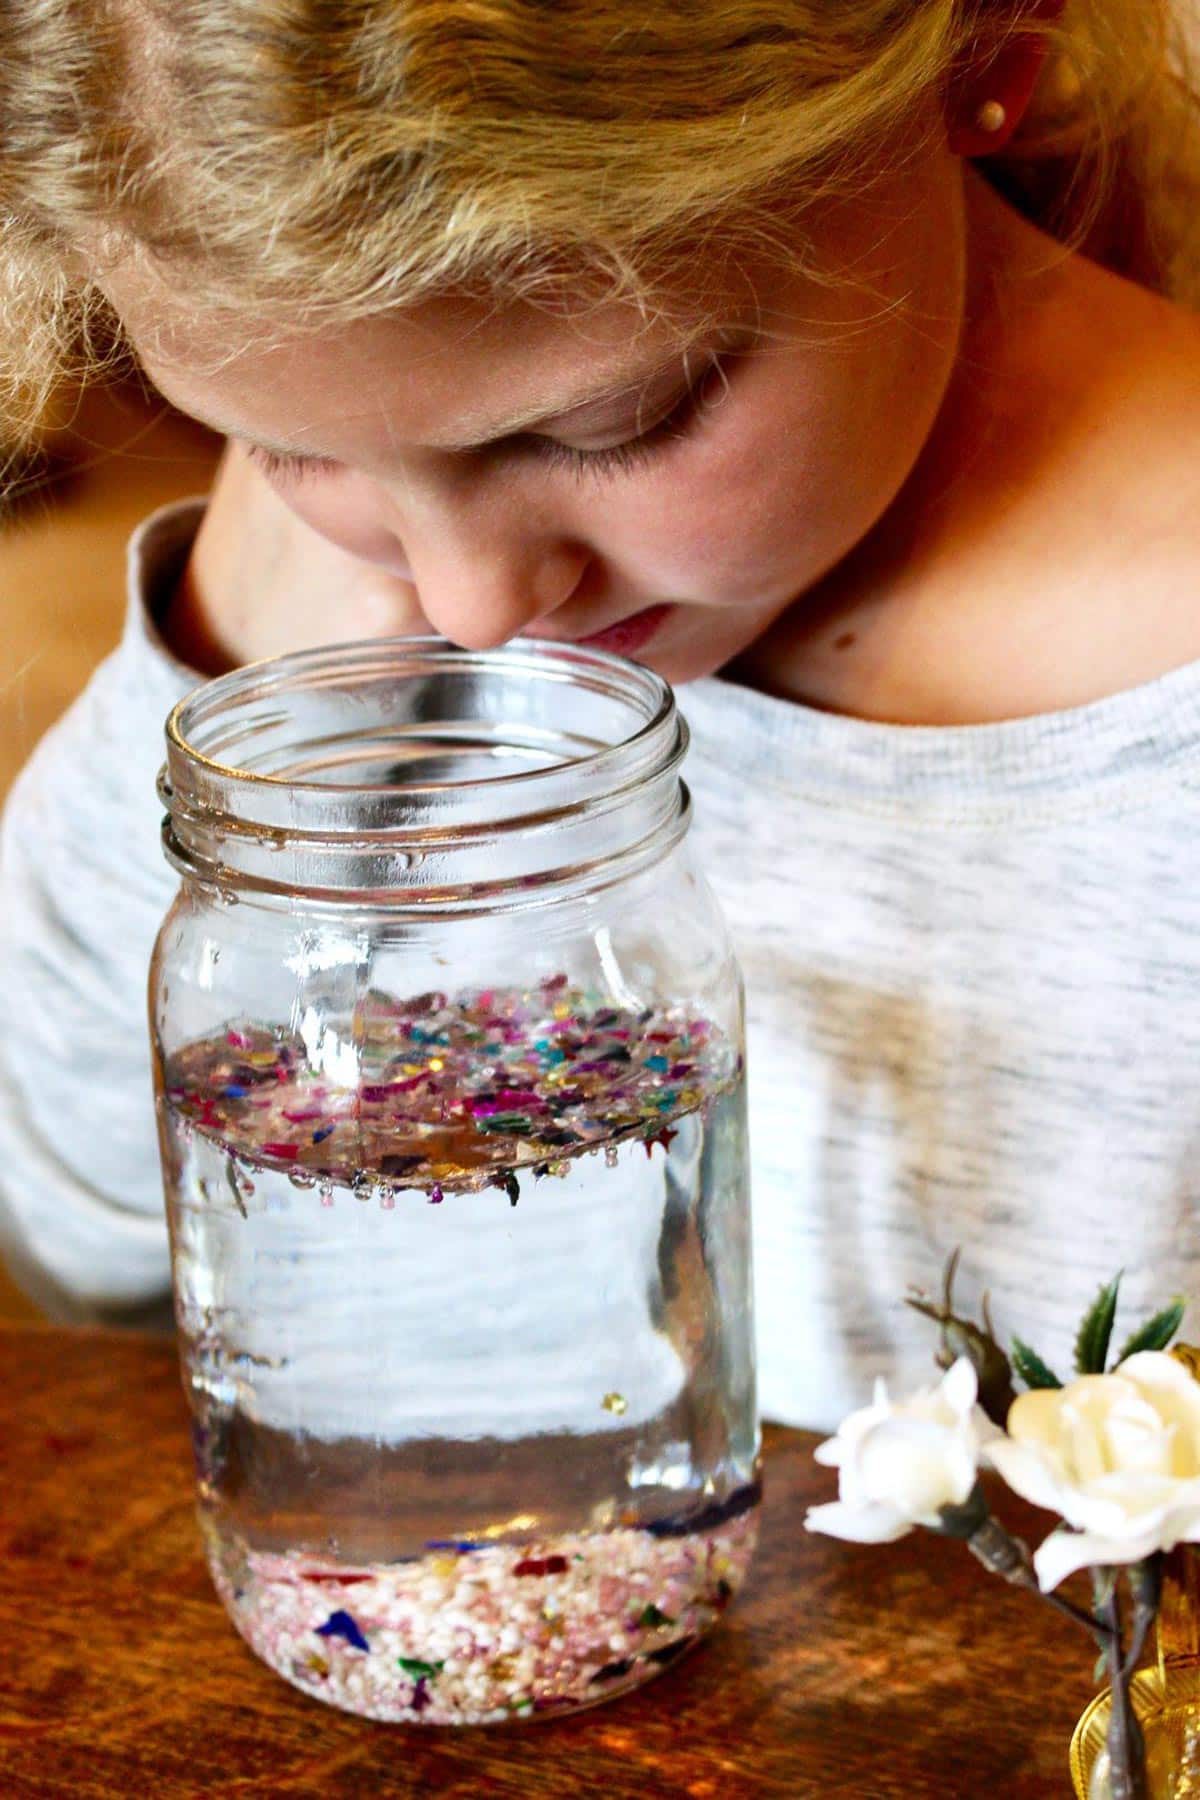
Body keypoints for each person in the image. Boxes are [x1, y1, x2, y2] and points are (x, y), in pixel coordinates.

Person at [2, 0, 1199, 1428]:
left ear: (988, 46)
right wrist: (224, 657)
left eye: (617, 424)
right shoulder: (336, 608)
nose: (477, 605)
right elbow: (93, 1245)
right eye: (289, 448)